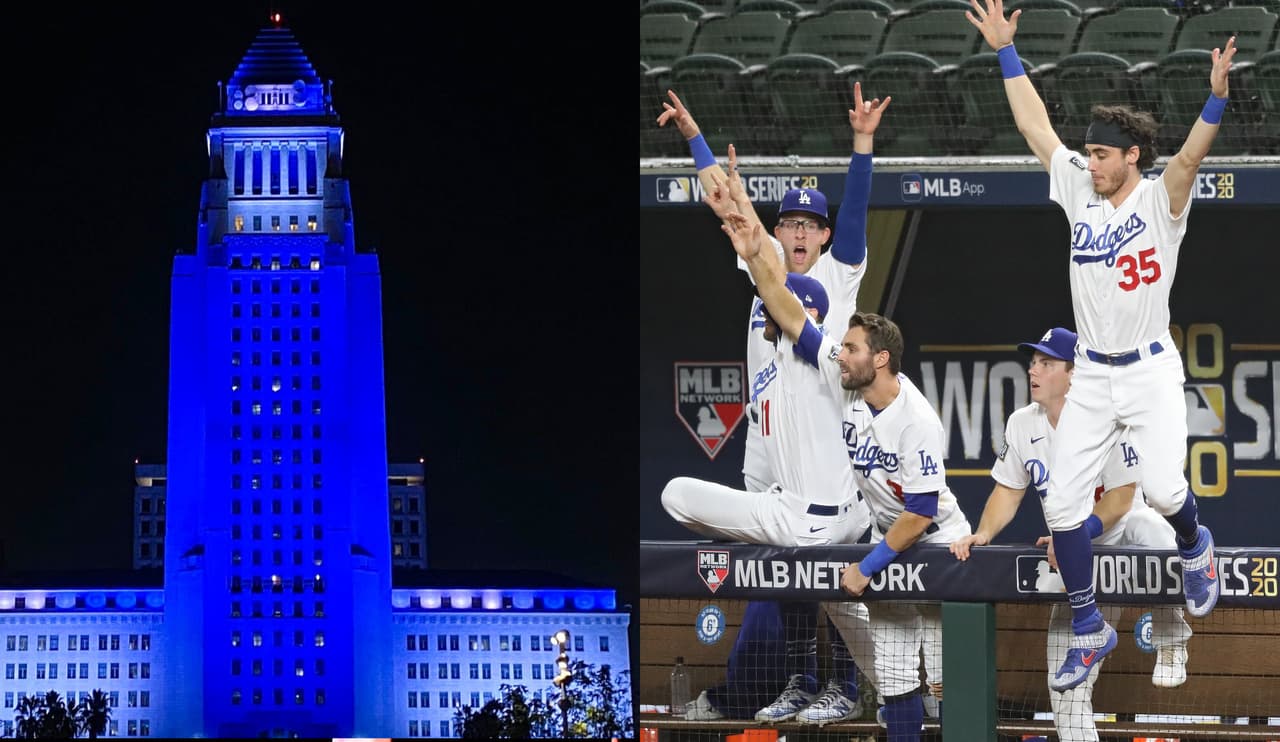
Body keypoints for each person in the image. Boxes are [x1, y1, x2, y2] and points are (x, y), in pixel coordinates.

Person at [965, 0, 1230, 691]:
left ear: (1132, 155)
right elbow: (1033, 125)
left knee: (1169, 489)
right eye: (1090, 153)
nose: (1092, 161)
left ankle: (1196, 544)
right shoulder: (1079, 187)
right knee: (1060, 505)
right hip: (1090, 375)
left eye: (1104, 154)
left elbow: (1193, 157)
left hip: (1146, 370)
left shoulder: (1157, 200)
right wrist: (1005, 52)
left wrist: (1214, 100)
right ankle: (1089, 627)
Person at [656, 84, 887, 725]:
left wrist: (863, 145)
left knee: (828, 572)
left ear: (824, 235)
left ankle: (849, 682)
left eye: (811, 224)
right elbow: (730, 207)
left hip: (821, 444)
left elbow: (857, 212)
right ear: (780, 232)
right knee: (784, 576)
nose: (800, 232)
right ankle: (799, 678)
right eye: (790, 223)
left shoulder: (836, 279)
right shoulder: (764, 269)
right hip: (767, 444)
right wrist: (693, 138)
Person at [718, 196, 970, 742]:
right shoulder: (845, 380)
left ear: (879, 357)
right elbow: (789, 314)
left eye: (851, 346)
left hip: (937, 548)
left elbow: (921, 513)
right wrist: (757, 253)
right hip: (889, 546)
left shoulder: (916, 419)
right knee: (900, 684)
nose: (840, 350)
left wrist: (866, 568)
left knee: (952, 686)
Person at [949, 327, 1193, 741]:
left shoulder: (1110, 418)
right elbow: (1009, 489)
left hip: (1118, 531)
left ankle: (1172, 639)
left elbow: (1120, 498)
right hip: (1076, 558)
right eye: (1034, 362)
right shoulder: (1023, 423)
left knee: (1156, 530)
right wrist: (983, 532)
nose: (1034, 369)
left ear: (1074, 374)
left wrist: (1074, 535)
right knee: (1065, 690)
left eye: (1046, 363)